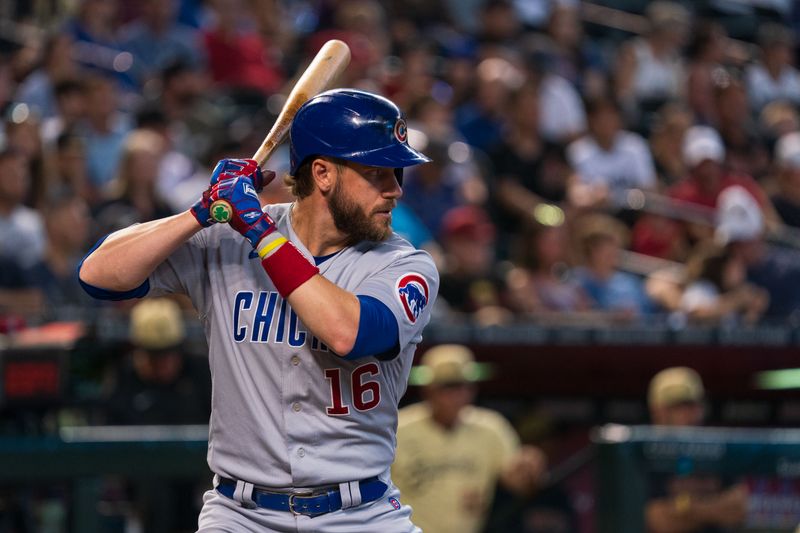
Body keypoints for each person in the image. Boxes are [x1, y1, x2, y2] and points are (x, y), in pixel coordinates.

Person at [79, 88, 439, 532]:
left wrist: (263, 233)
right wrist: (200, 210)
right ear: (322, 173)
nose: (395, 190)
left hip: (361, 514)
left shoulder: (404, 263)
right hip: (240, 514)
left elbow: (353, 334)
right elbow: (97, 276)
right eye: (377, 173)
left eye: (397, 173)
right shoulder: (230, 238)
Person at [392, 344, 547, 533]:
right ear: (428, 390)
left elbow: (518, 484)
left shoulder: (491, 427)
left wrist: (528, 469)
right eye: (447, 386)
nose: (456, 395)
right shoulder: (399, 427)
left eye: (462, 386)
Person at [645, 367, 749, 533]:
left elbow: (738, 509)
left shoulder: (715, 451)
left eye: (694, 404)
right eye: (679, 406)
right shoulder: (644, 454)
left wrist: (685, 508)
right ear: (658, 412)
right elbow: (659, 521)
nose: (691, 414)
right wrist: (714, 508)